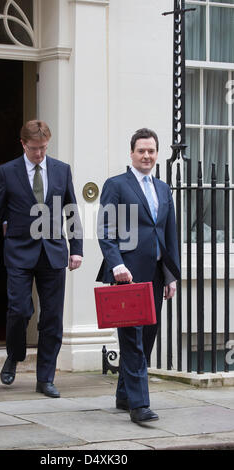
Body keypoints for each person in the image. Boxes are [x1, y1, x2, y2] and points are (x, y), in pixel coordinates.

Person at [0, 120, 83, 398]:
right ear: (23, 144)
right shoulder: (6, 172)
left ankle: (45, 378)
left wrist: (77, 248)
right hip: (19, 251)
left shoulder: (61, 170)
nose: (39, 154)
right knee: (20, 310)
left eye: (44, 148)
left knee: (52, 318)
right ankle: (14, 354)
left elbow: (71, 210)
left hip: (53, 252)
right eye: (34, 148)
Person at [96, 128, 180, 423]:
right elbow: (106, 230)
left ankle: (124, 394)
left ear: (157, 154)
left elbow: (170, 235)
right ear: (131, 153)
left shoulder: (163, 189)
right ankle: (139, 405)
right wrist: (116, 264)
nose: (147, 155)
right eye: (141, 150)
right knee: (131, 339)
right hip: (126, 276)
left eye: (152, 151)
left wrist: (171, 275)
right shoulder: (116, 185)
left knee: (146, 338)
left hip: (155, 275)